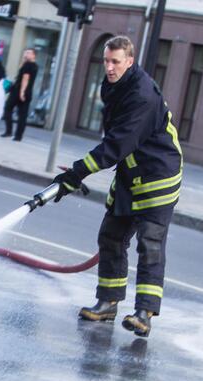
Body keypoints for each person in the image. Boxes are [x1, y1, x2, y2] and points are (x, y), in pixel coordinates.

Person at [49, 36, 183, 338]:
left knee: (150, 244)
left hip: (158, 175)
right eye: (106, 61)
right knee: (111, 235)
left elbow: (116, 144)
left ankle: (143, 314)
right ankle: (108, 303)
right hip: (130, 172)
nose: (109, 68)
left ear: (129, 61)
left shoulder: (143, 96)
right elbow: (116, 143)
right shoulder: (114, 87)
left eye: (115, 62)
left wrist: (77, 173)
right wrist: (78, 172)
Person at [1, 48, 38, 142]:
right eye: (25, 52)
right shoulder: (35, 66)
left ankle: (9, 131)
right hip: (28, 92)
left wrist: (22, 92)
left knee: (8, 108)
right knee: (23, 115)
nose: (26, 54)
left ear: (34, 55)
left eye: (29, 53)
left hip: (18, 91)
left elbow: (25, 78)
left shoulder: (27, 65)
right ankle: (18, 136)